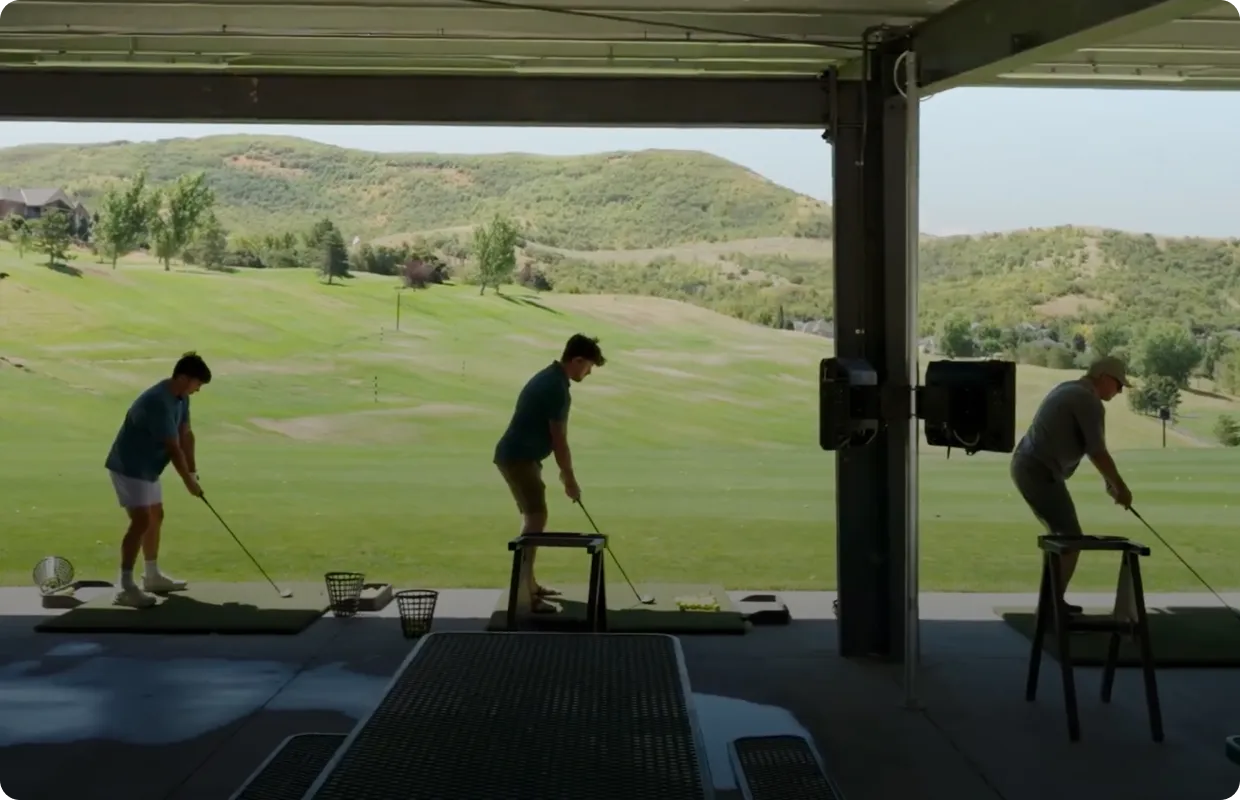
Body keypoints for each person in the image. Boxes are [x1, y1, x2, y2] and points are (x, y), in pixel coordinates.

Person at [1010, 355, 1133, 613]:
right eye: (1118, 384)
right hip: (1038, 470)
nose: (1120, 390)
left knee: (1062, 536)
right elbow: (1097, 451)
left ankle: (1050, 603)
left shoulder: (1068, 388)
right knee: (1070, 537)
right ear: (1103, 376)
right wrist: (1120, 487)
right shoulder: (1087, 400)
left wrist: (1109, 482)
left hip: (1031, 466)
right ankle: (1053, 606)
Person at [494, 334, 606, 613]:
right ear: (577, 360)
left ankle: (529, 585)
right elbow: (559, 440)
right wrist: (569, 479)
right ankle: (526, 594)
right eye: (589, 366)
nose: (589, 372)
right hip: (518, 458)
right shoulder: (556, 387)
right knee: (536, 519)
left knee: (533, 518)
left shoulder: (551, 378)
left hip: (521, 458)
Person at [104, 352, 211, 609]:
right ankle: (126, 587)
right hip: (129, 466)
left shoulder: (181, 397)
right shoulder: (157, 402)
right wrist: (188, 483)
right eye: (197, 383)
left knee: (156, 515)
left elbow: (186, 434)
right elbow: (173, 448)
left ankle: (151, 576)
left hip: (149, 468)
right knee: (141, 520)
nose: (197, 390)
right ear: (183, 378)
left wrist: (193, 472)